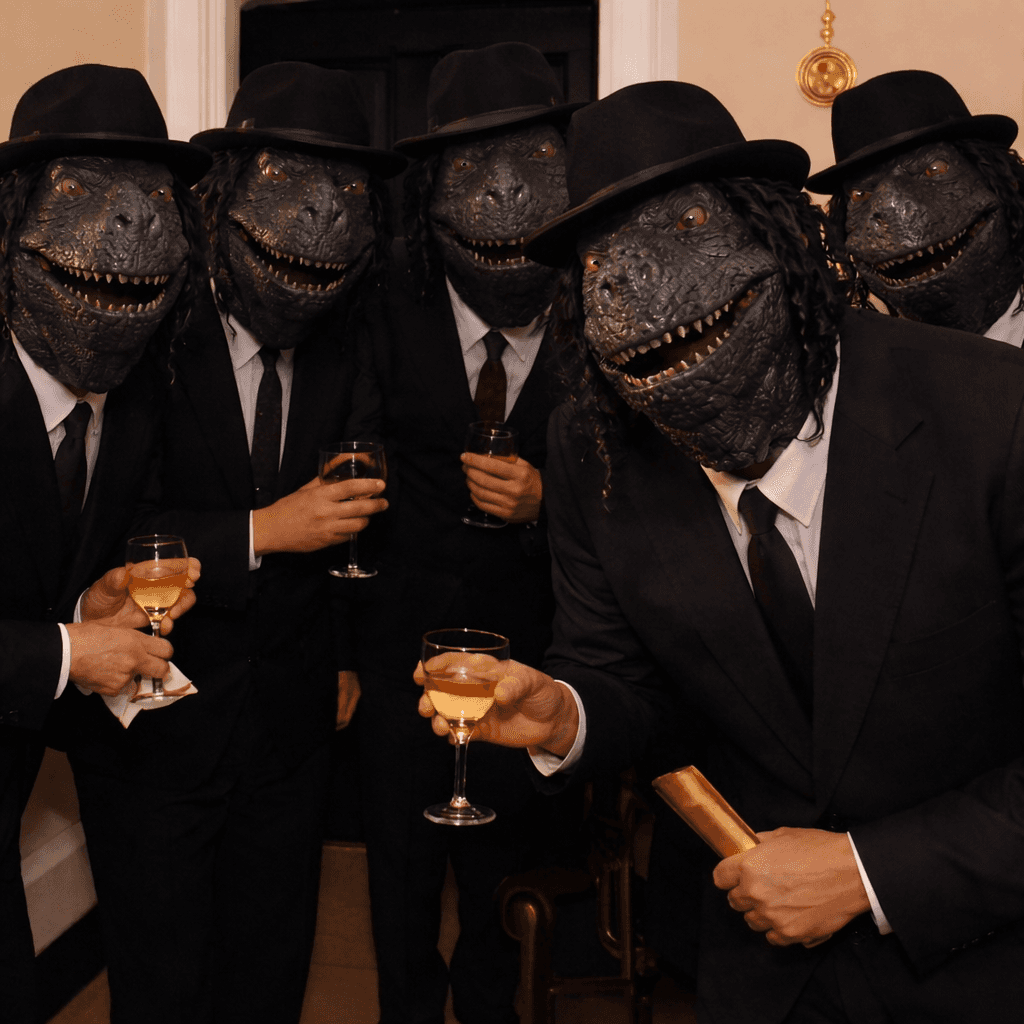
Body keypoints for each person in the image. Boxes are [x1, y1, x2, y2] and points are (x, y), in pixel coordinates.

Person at [419, 81, 1024, 1023]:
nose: (632, 285)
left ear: (778, 239)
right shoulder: (594, 451)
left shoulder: (994, 412)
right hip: (757, 967)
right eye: (599, 260)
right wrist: (566, 713)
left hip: (984, 961)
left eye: (689, 225)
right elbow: (628, 684)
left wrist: (869, 872)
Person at [59, 63, 401, 1024]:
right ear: (227, 196)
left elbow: (358, 506)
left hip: (289, 721)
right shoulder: (144, 326)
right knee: (162, 975)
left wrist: (341, 652)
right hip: (157, 716)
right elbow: (102, 526)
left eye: (342, 191)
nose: (317, 217)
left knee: (270, 963)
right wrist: (262, 532)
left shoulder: (344, 338)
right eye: (287, 181)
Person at [355, 42, 581, 1024]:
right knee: (399, 879)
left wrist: (546, 506)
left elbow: (645, 502)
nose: (506, 197)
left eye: (531, 164)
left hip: (533, 660)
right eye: (475, 169)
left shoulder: (600, 314)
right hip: (399, 654)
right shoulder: (381, 304)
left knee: (506, 883)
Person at [0, 64, 208, 1024]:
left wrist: (95, 602)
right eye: (85, 188)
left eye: (155, 199)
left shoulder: (130, 404)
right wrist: (66, 652)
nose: (131, 224)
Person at [806, 70, 1024, 346]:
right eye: (861, 194)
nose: (891, 205)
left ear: (998, 179)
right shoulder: (862, 360)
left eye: (935, 169)